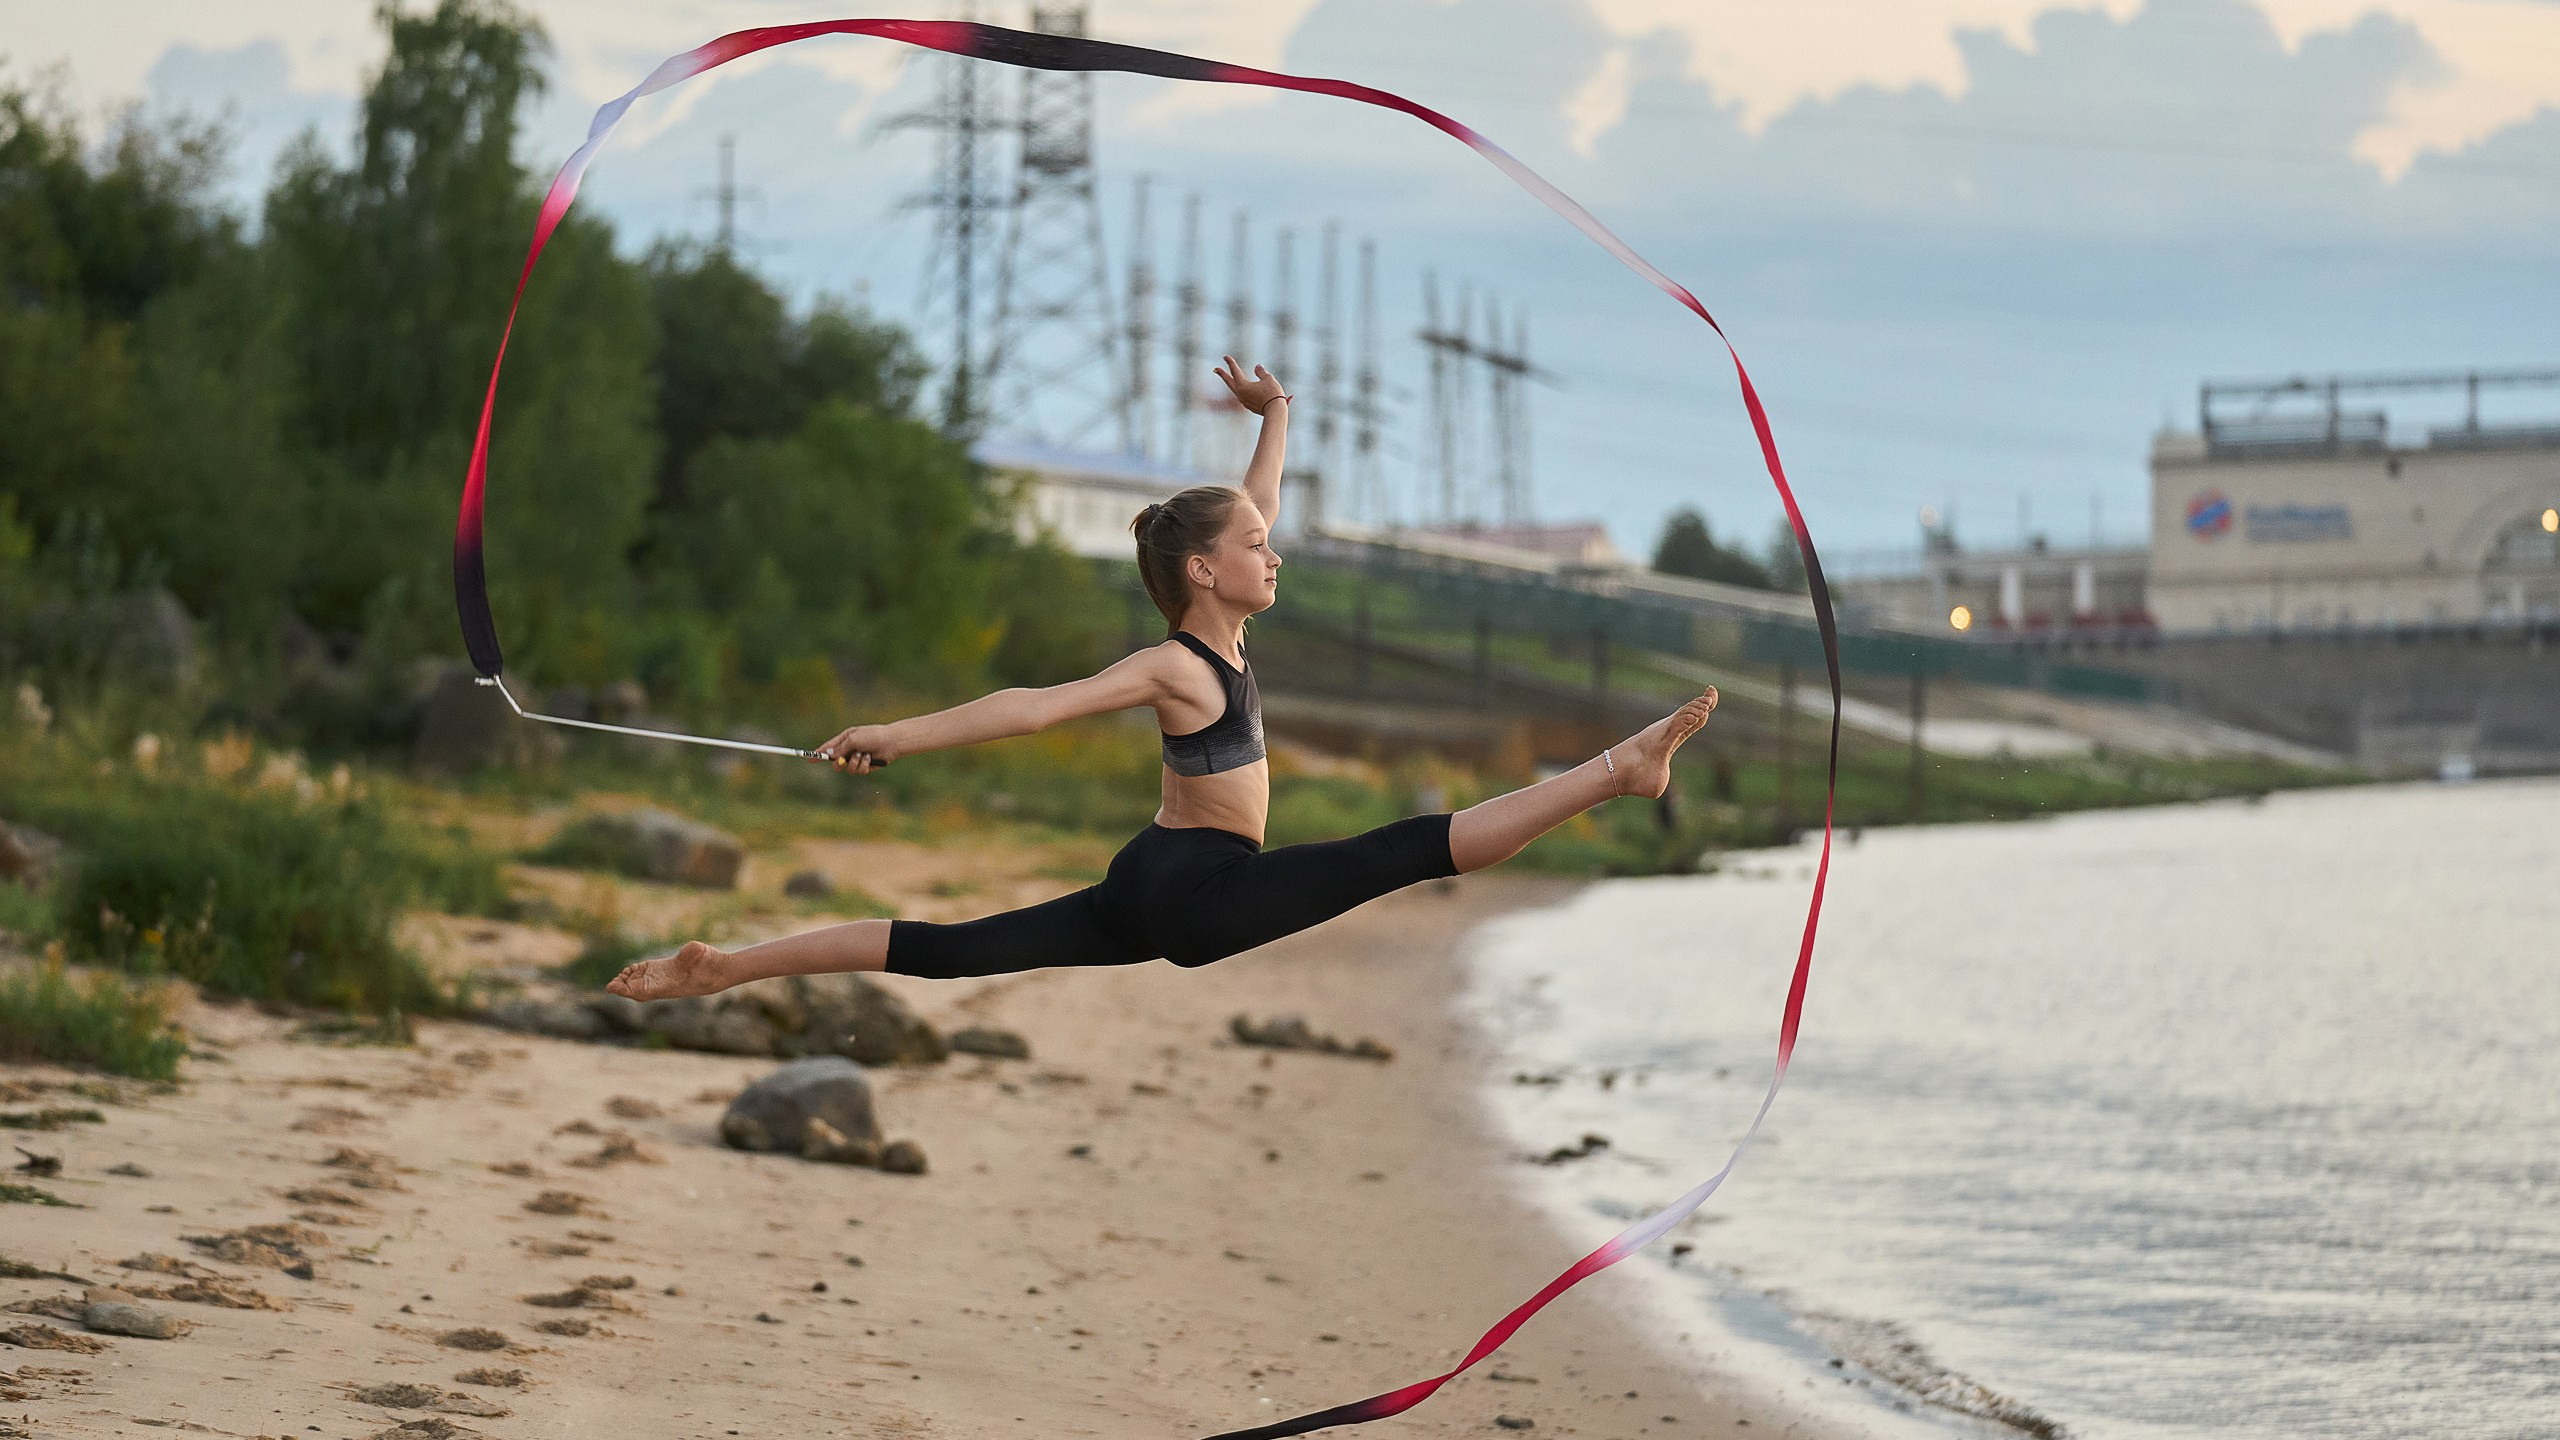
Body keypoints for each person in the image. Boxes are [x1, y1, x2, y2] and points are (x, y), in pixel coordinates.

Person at [607, 357, 1715, 1002]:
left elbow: (1258, 503)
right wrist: (900, 731)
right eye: (1255, 546)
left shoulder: (1217, 637)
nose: (1272, 551)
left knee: (947, 953)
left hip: (1161, 878)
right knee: (1406, 850)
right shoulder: (1176, 666)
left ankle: (727, 967)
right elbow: (1032, 708)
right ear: (1203, 571)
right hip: (1195, 889)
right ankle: (1619, 772)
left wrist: (1276, 416)